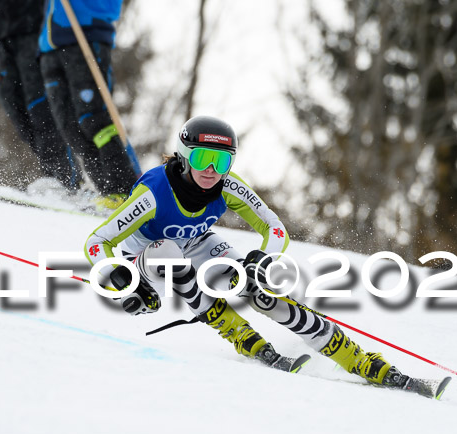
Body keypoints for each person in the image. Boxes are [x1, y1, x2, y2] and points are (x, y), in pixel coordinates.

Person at [84, 115, 424, 391]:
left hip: (197, 243)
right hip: (145, 258)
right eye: (203, 158)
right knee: (167, 252)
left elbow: (274, 228)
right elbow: (97, 242)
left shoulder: (227, 185)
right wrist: (119, 277)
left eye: (222, 161)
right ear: (184, 155)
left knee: (257, 288)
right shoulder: (154, 192)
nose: (212, 170)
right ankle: (235, 330)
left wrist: (263, 260)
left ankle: (358, 359)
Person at [39, 0, 140, 209]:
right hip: (51, 44)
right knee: (70, 127)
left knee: (93, 119)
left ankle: (122, 190)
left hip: (86, 33)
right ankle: (105, 192)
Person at [0, 0, 81, 193]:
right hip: (1, 37)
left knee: (42, 110)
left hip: (35, 31)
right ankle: (55, 178)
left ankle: (66, 181)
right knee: (19, 114)